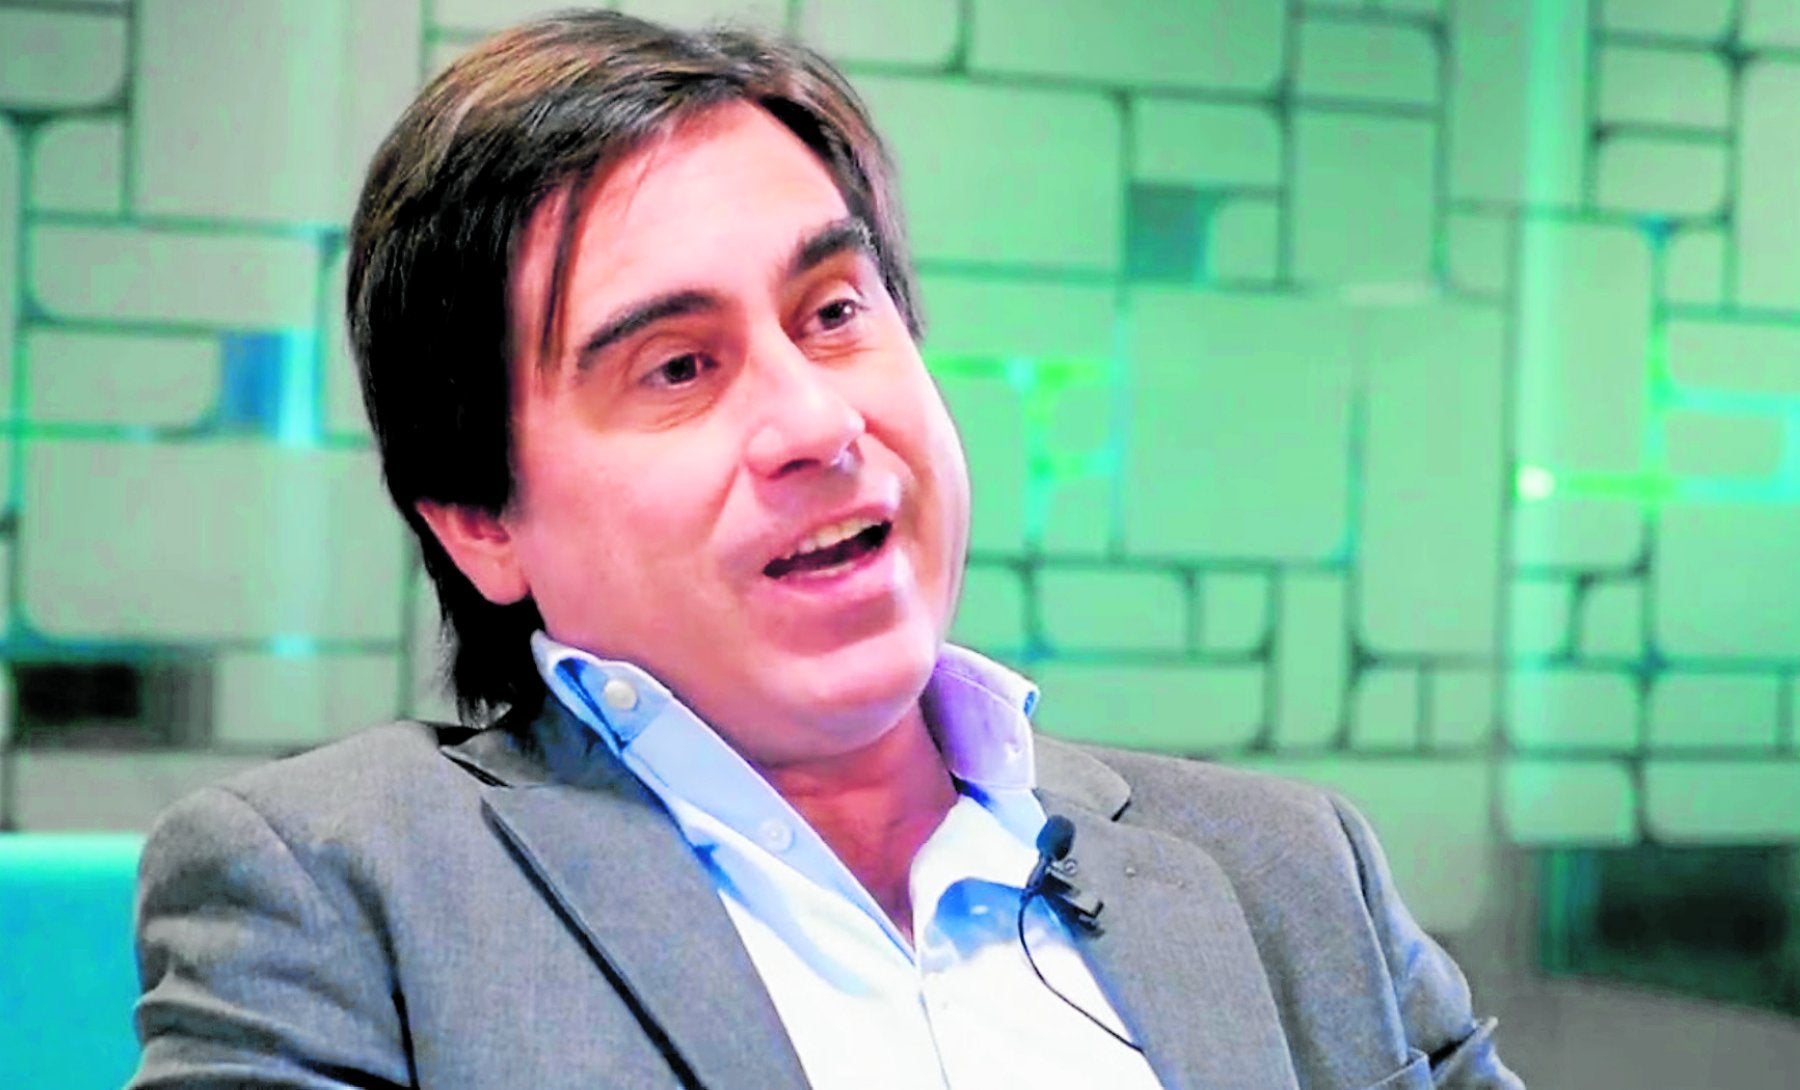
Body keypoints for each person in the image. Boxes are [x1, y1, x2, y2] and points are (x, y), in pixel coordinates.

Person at [129, 11, 1523, 1089]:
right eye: (679, 366)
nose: (815, 421)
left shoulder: (1292, 873)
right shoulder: (339, 895)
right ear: (481, 520)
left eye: (836, 311)